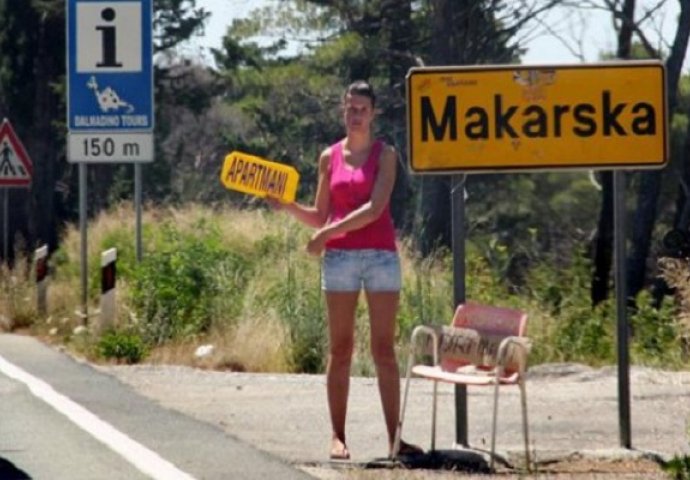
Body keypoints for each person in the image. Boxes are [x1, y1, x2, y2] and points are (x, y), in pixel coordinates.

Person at [270, 80, 421, 460]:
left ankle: (396, 440)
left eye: (362, 109)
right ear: (343, 110)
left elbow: (374, 208)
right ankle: (337, 436)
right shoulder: (328, 157)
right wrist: (287, 205)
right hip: (339, 260)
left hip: (380, 258)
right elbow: (320, 214)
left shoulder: (386, 156)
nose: (355, 115)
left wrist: (327, 233)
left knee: (384, 350)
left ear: (373, 114)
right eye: (350, 108)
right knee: (341, 349)